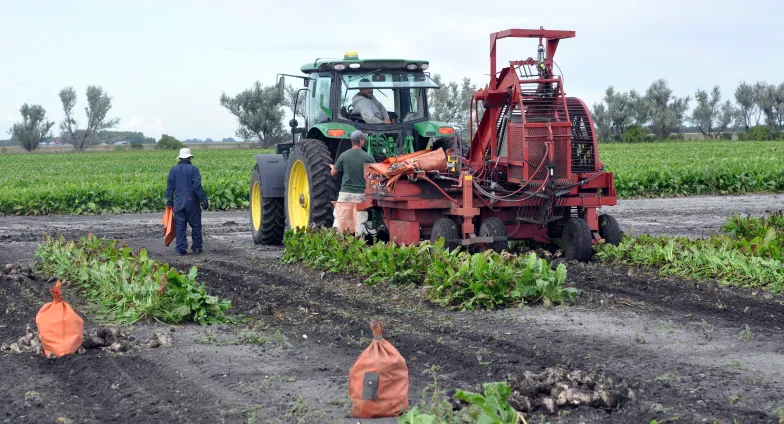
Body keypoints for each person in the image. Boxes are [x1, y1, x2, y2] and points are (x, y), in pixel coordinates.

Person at [330, 130, 375, 235]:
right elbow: (372, 177)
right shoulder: (368, 157)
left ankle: (333, 242)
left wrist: (333, 167)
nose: (364, 141)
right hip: (360, 195)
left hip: (345, 194)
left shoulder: (343, 155)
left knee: (339, 219)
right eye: (363, 139)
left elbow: (333, 173)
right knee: (360, 222)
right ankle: (359, 246)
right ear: (360, 140)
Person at [165, 148, 209, 255]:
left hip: (178, 202)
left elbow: (170, 187)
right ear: (190, 157)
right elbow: (197, 186)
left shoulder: (173, 170)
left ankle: (180, 248)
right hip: (192, 202)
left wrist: (169, 201)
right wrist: (204, 200)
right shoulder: (194, 169)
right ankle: (197, 247)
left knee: (180, 225)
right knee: (196, 225)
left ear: (180, 158)